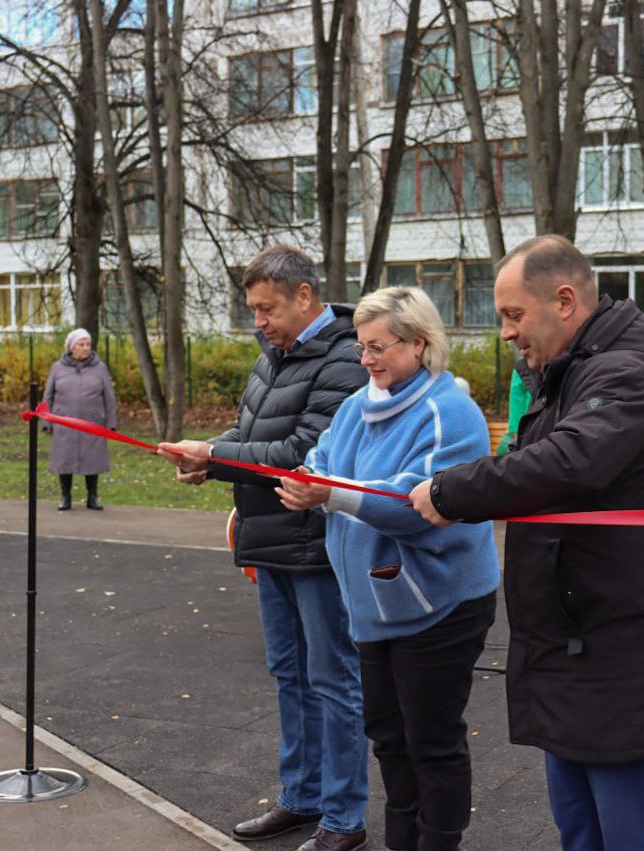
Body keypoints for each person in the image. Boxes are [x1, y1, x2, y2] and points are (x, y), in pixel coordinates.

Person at [408, 235, 644, 851]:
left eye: (515, 315)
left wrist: (455, 492)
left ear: (564, 301)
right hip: (570, 644)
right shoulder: (566, 374)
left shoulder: (624, 376)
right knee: (579, 830)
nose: (507, 333)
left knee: (629, 834)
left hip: (616, 650)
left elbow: (564, 464)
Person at [157, 246, 370, 851]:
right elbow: (252, 436)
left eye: (267, 307)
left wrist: (216, 457)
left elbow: (305, 454)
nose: (258, 320)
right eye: (252, 309)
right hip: (270, 540)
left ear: (305, 296)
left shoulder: (345, 358)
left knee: (332, 680)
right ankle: (301, 798)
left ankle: (343, 817)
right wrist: (208, 453)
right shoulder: (274, 356)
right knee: (289, 675)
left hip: (317, 545)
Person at [278, 287, 500, 851]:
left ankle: (438, 842)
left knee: (432, 740)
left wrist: (329, 494)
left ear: (420, 344)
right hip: (373, 605)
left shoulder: (450, 413)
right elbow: (325, 459)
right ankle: (404, 838)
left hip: (440, 604)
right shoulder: (360, 402)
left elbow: (417, 507)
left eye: (379, 346)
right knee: (389, 737)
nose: (367, 358)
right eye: (362, 347)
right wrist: (310, 479)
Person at [41, 328, 118, 511]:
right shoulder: (57, 368)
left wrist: (111, 424)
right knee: (64, 461)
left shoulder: (100, 368)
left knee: (93, 462)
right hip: (64, 424)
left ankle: (92, 497)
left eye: (88, 344)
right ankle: (65, 497)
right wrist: (46, 422)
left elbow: (109, 397)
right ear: (71, 348)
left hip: (92, 424)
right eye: (81, 345)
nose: (85, 348)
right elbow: (47, 397)